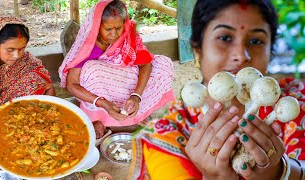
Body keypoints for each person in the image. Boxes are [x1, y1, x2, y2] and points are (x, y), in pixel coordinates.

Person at [129, 0, 305, 179]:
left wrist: (282, 171)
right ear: (198, 50)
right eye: (225, 38)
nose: (240, 55)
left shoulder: (297, 101)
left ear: (270, 53)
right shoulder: (165, 133)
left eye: (256, 41)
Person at [58, 0, 174, 138]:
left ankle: (138, 113)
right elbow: (71, 85)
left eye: (118, 28)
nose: (114, 34)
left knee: (163, 65)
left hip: (128, 79)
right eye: (108, 29)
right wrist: (102, 103)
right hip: (101, 88)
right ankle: (97, 119)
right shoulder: (88, 46)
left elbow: (145, 63)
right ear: (97, 26)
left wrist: (136, 96)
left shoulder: (128, 32)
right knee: (91, 70)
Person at [0, 17, 55, 121]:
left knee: (35, 79)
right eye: (10, 49)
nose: (16, 55)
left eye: (22, 49)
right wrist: (12, 119)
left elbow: (49, 88)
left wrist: (44, 113)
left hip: (20, 116)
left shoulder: (27, 61)